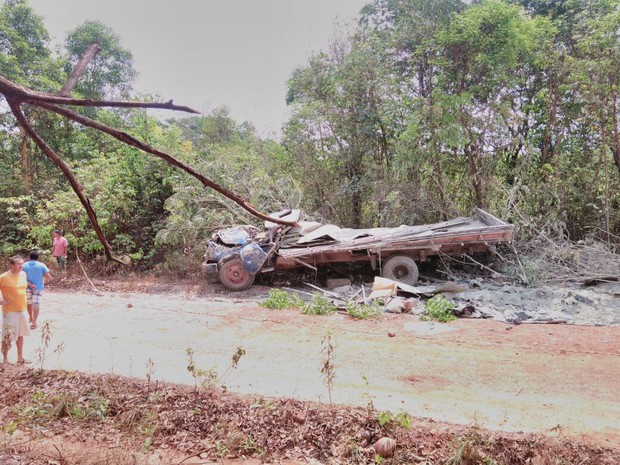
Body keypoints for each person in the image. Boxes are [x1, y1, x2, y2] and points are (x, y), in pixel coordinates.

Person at [0, 255, 30, 364]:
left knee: (21, 335)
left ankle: (20, 358)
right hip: (10, 311)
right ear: (12, 265)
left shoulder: (23, 274)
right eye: (18, 264)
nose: (21, 266)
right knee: (7, 335)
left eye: (22, 263)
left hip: (22, 309)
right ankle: (5, 359)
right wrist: (1, 301)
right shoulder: (3, 277)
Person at [22, 250, 52, 330]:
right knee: (36, 304)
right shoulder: (42, 265)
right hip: (38, 288)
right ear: (38, 257)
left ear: (29, 257)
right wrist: (44, 280)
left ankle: (31, 317)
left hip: (27, 287)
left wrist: (29, 284)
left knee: (29, 303)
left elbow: (21, 277)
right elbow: (49, 277)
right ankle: (34, 322)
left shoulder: (24, 265)